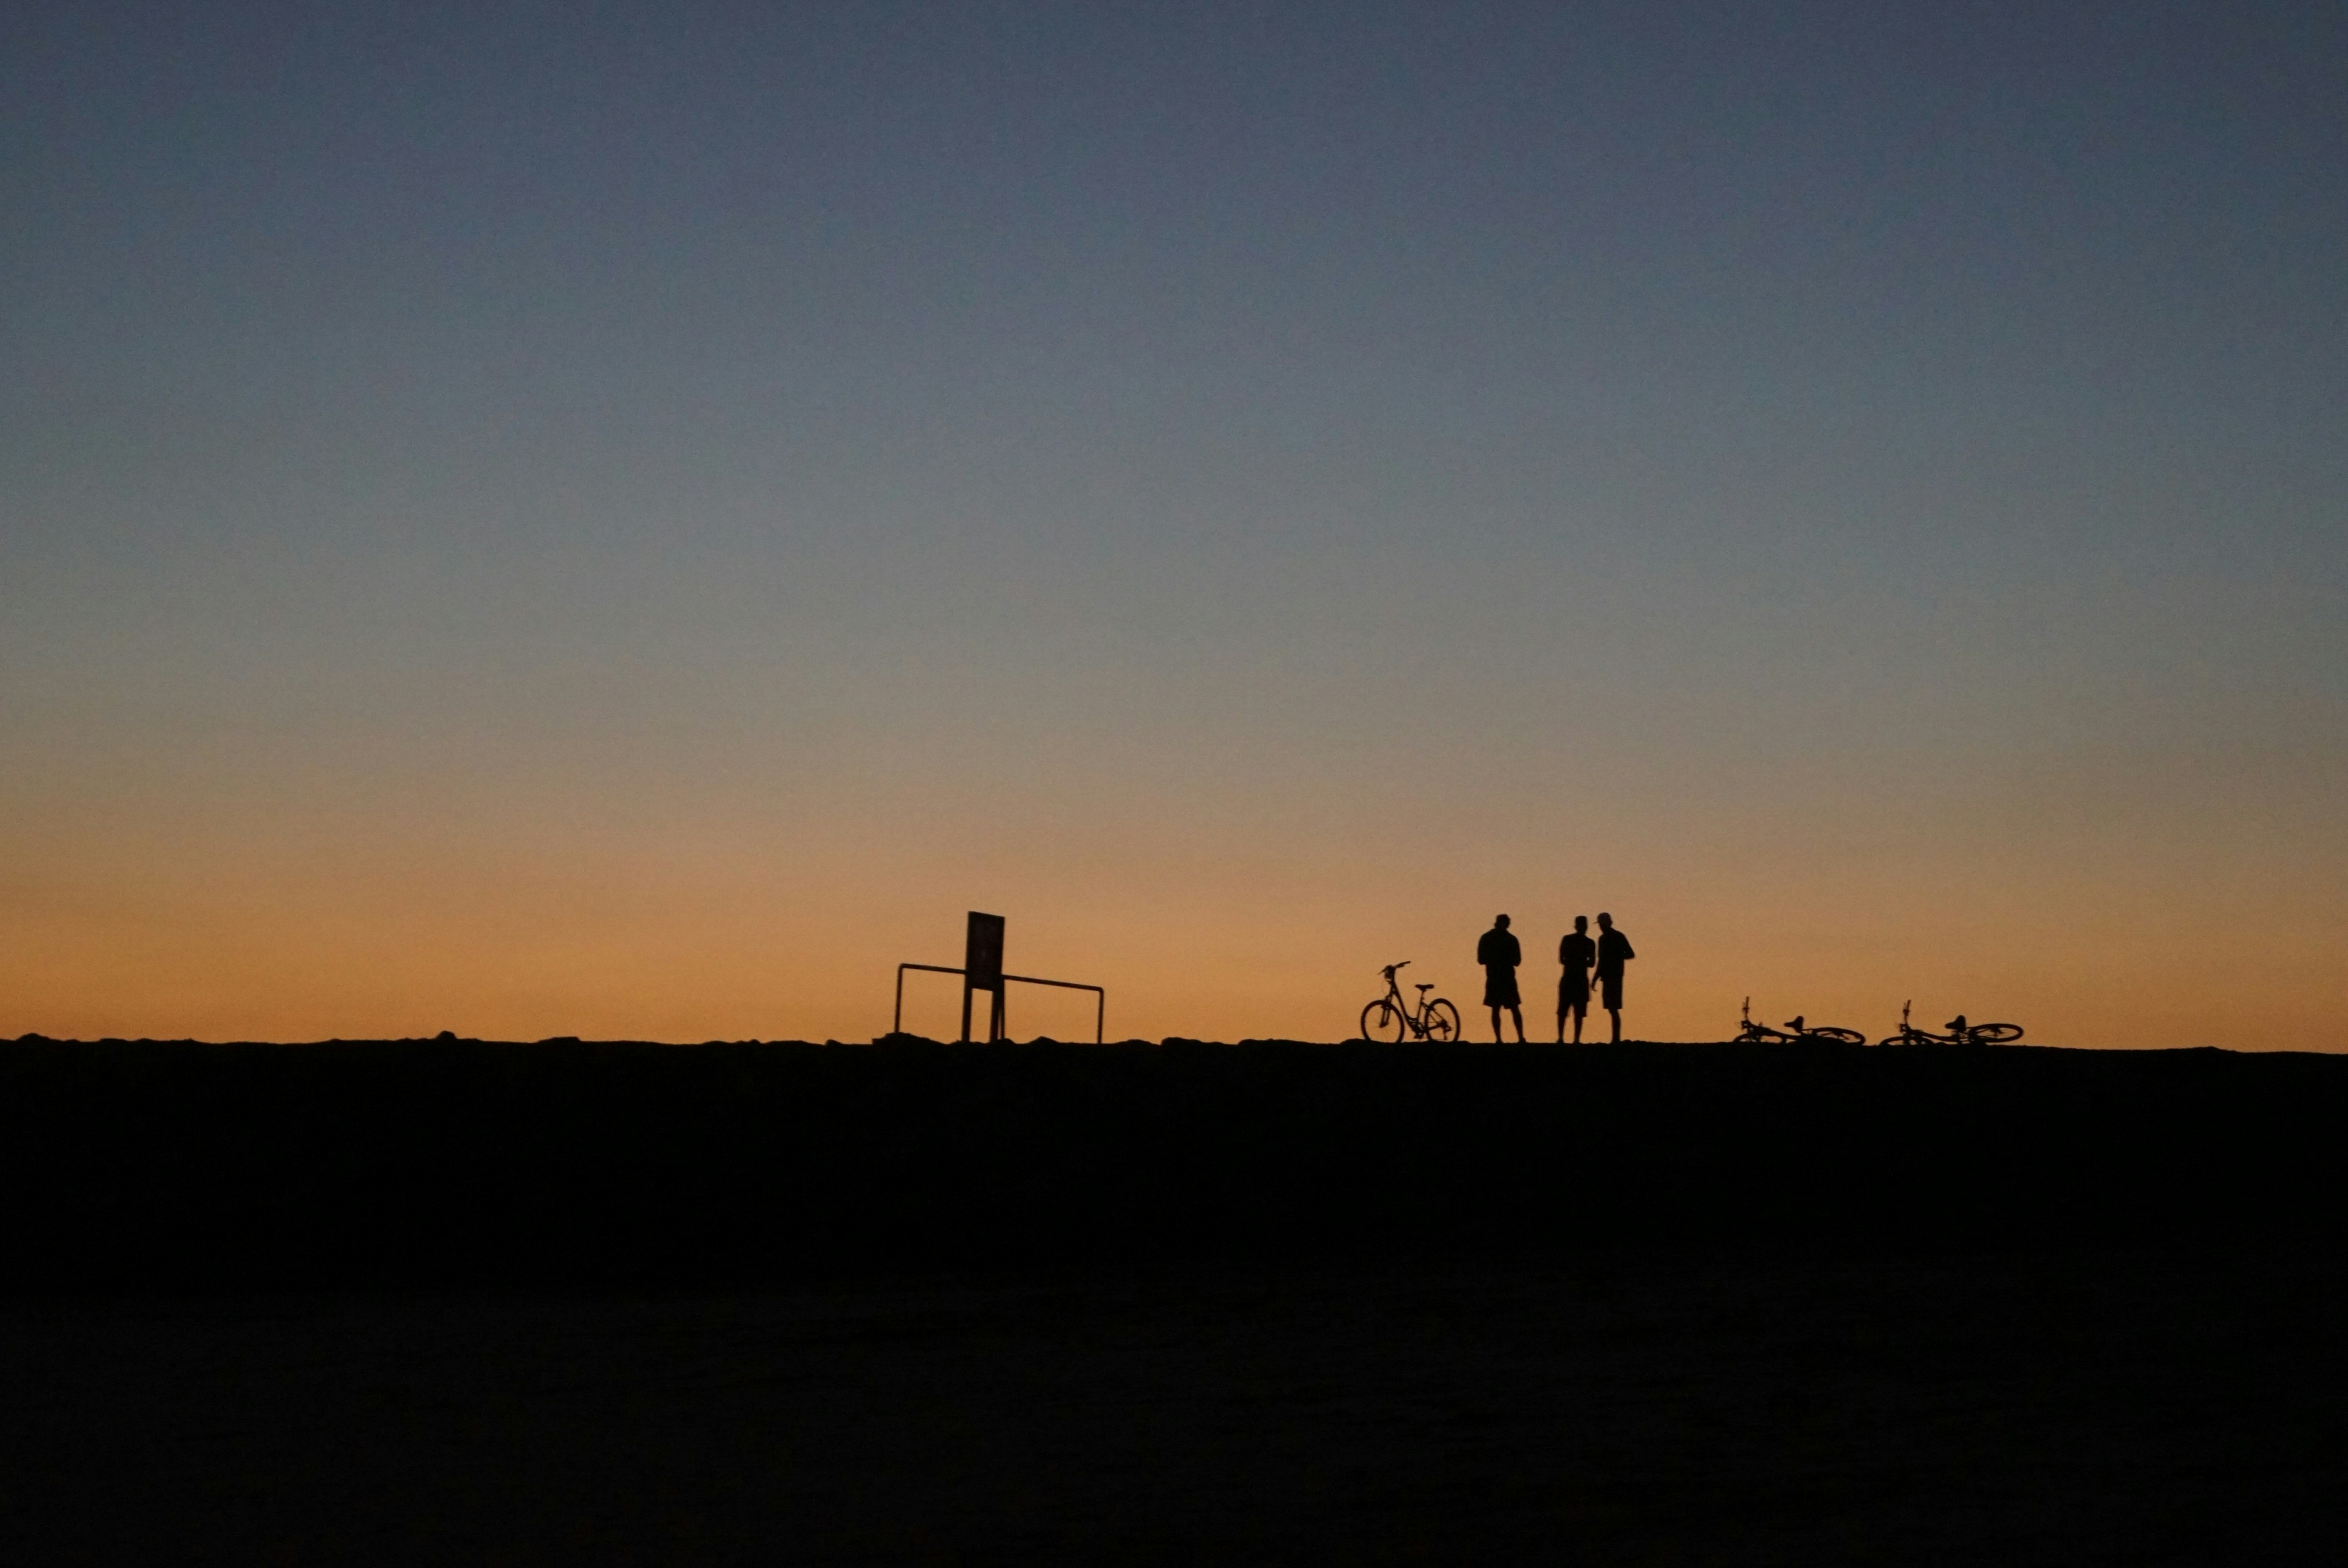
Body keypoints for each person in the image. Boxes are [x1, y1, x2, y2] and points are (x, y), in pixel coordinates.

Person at [1476, 913, 1526, 1043]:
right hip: (1501, 978)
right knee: (1503, 1008)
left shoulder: (1488, 938)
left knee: (1504, 1008)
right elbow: (1516, 961)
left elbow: (1481, 959)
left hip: (1500, 978)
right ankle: (1505, 1038)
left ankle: (1514, 1038)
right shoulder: (1509, 939)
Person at [1594, 912, 1634, 1043]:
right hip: (1612, 976)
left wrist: (1594, 979)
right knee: (1613, 1009)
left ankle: (1616, 1038)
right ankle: (1615, 1038)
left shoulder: (1607, 939)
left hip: (1613, 977)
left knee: (1613, 1008)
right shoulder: (1614, 937)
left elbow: (1629, 954)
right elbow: (1629, 954)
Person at [1557, 916, 1595, 1044]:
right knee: (1577, 1012)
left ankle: (1562, 1038)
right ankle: (1575, 1040)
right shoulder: (1589, 943)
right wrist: (1581, 962)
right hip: (1579, 979)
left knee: (1564, 1011)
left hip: (1569, 978)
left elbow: (1561, 960)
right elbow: (1592, 963)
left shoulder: (1567, 940)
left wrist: (1572, 961)